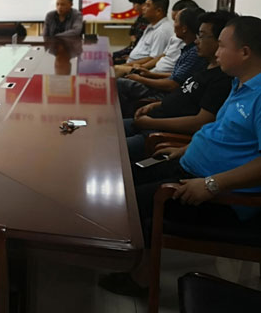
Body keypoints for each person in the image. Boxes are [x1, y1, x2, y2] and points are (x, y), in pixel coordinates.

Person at [100, 16, 261, 297]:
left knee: (133, 200)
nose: (217, 52)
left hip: (217, 192)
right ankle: (132, 258)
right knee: (122, 178)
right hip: (187, 164)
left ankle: (141, 279)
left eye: (223, 46)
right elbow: (217, 130)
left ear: (245, 52)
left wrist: (212, 184)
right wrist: (185, 149)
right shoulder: (239, 83)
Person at [123, 10, 237, 163]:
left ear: (220, 41)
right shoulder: (205, 65)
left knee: (108, 148)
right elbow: (184, 94)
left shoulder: (222, 79)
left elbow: (200, 122)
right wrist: (157, 105)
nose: (196, 41)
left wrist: (150, 122)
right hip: (152, 120)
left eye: (202, 36)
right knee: (104, 131)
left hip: (158, 134)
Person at [117, 7, 207, 118]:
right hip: (161, 82)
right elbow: (177, 75)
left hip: (166, 93)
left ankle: (122, 120)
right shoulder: (188, 48)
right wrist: (150, 74)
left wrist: (141, 79)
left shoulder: (194, 52)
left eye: (176, 21)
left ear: (184, 28)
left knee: (120, 83)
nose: (173, 25)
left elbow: (172, 85)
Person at [132, 0, 200, 75]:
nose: (173, 25)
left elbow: (176, 78)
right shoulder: (175, 37)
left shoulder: (192, 49)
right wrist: (142, 67)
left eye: (176, 21)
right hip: (153, 72)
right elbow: (163, 55)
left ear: (185, 26)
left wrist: (148, 75)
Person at [113, 0, 174, 78]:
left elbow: (153, 59)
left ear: (158, 11)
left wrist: (125, 66)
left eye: (147, 5)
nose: (143, 8)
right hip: (133, 64)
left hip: (143, 71)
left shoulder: (162, 31)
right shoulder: (151, 26)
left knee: (113, 70)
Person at [112, 0, 152, 64]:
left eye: (134, 3)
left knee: (112, 60)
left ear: (143, 4)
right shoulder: (141, 17)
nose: (133, 7)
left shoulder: (149, 20)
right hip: (133, 50)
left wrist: (130, 57)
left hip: (139, 57)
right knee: (111, 56)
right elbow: (132, 31)